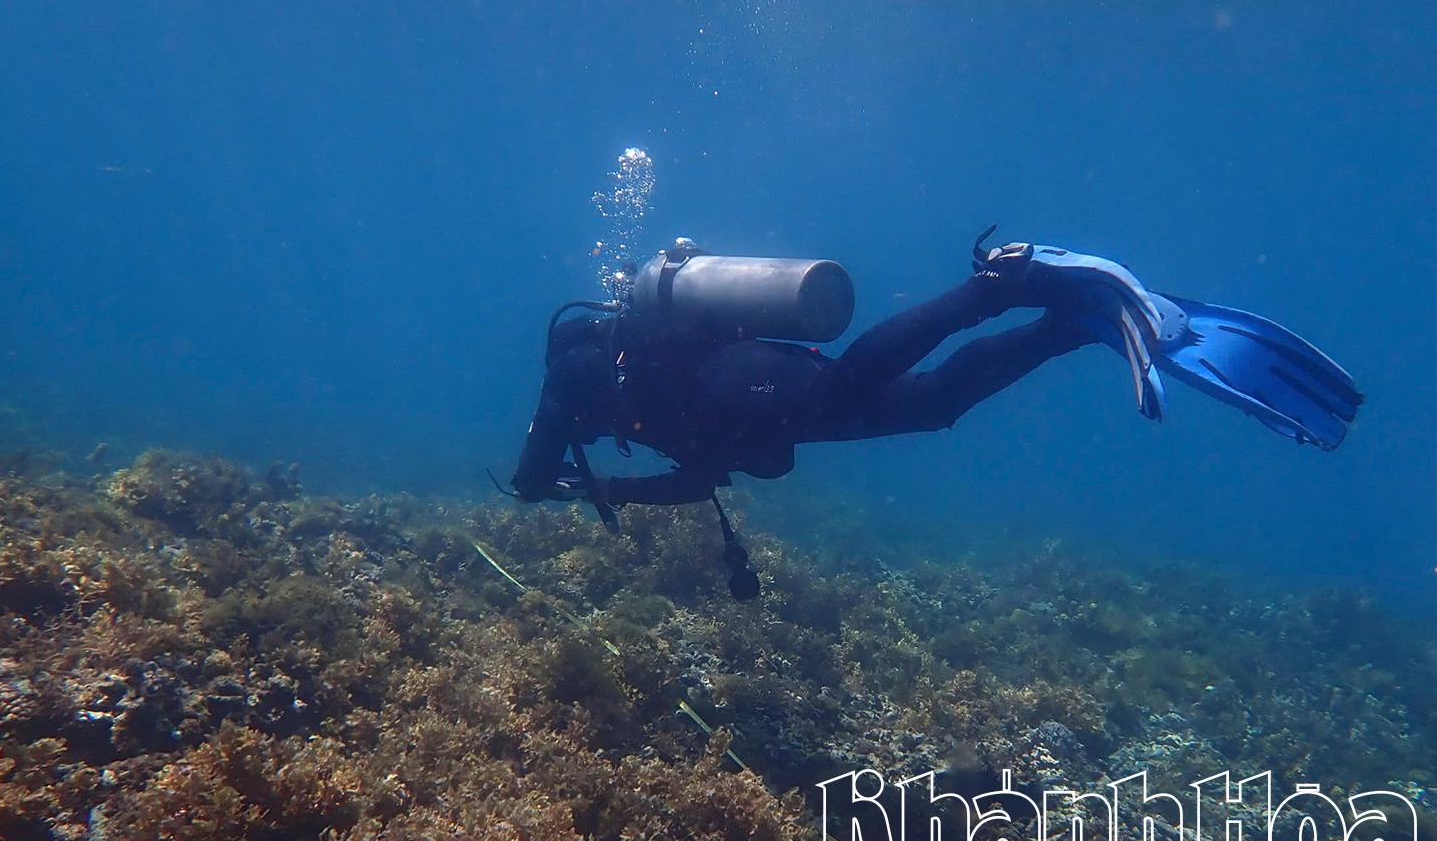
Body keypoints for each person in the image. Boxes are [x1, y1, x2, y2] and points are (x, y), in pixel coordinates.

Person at [511, 234, 1362, 518]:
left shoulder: (577, 371)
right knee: (936, 406)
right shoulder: (622, 401)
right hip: (754, 414)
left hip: (738, 383)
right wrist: (613, 493)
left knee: (844, 384)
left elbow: (530, 474)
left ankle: (996, 287)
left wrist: (545, 484)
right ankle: (1070, 326)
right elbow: (700, 482)